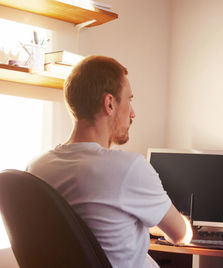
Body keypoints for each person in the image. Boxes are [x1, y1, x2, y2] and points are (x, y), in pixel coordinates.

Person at [26, 55, 192, 268]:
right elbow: (181, 235)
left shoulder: (35, 168)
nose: (133, 113)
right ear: (110, 103)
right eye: (130, 100)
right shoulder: (129, 168)